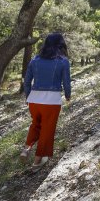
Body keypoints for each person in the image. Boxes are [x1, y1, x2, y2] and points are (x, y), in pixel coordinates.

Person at [20, 33, 72, 170]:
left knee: (35, 125)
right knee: (47, 131)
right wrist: (68, 95)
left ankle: (26, 149)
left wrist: (28, 97)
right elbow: (66, 82)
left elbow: (27, 82)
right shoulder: (63, 61)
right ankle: (36, 163)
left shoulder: (35, 60)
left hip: (34, 100)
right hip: (52, 101)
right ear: (61, 45)